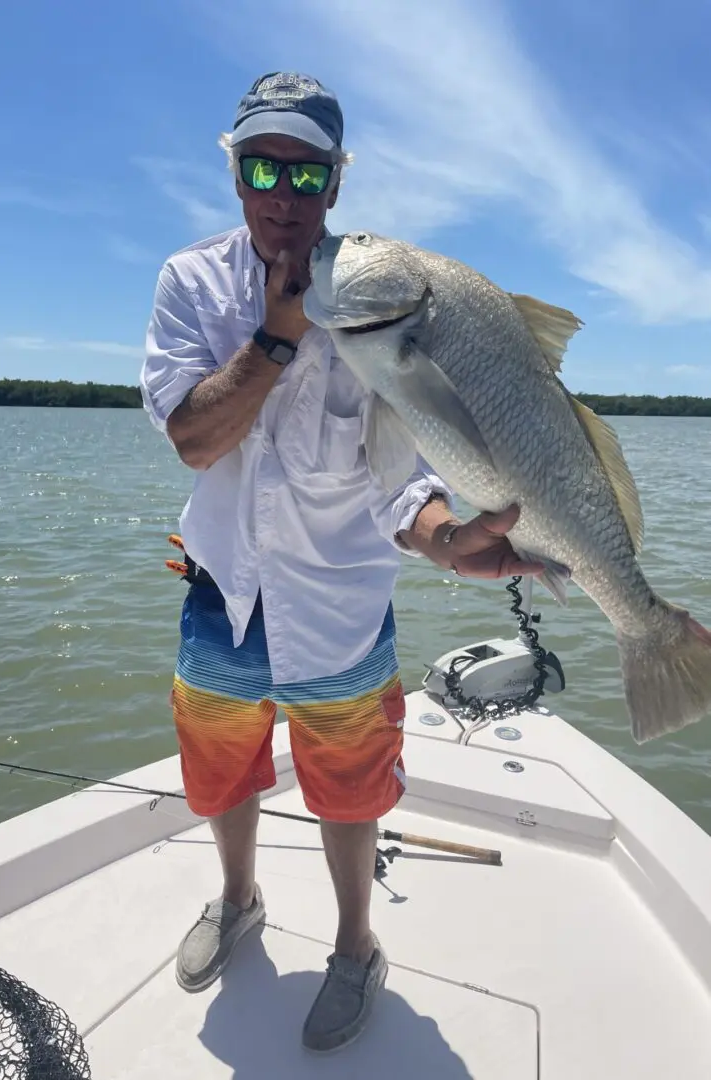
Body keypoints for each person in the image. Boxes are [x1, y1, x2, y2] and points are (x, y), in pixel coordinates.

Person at [140, 71, 541, 1054]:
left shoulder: (378, 304)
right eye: (262, 166)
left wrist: (450, 541)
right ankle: (239, 899)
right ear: (236, 173)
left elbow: (397, 479)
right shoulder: (190, 284)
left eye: (305, 171)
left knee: (351, 791)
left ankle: (357, 946)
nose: (282, 193)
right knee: (224, 773)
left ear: (336, 181)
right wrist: (278, 339)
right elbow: (193, 439)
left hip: (345, 605)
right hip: (222, 593)